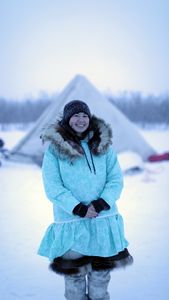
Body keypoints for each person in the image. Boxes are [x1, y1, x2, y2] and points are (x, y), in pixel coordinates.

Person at [38, 100, 133, 300]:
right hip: (73, 224)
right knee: (74, 281)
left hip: (102, 221)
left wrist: (101, 203)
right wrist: (79, 208)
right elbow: (52, 186)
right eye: (76, 115)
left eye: (85, 116)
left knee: (100, 279)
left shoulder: (104, 146)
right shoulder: (54, 150)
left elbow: (115, 179)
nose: (81, 120)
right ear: (67, 119)